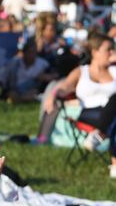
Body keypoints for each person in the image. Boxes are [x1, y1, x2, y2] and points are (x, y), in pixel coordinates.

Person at [37, 32, 116, 172]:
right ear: (95, 52)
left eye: (113, 49)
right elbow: (63, 87)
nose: (112, 52)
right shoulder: (82, 72)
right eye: (108, 49)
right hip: (90, 114)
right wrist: (52, 95)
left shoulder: (114, 71)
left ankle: (100, 135)